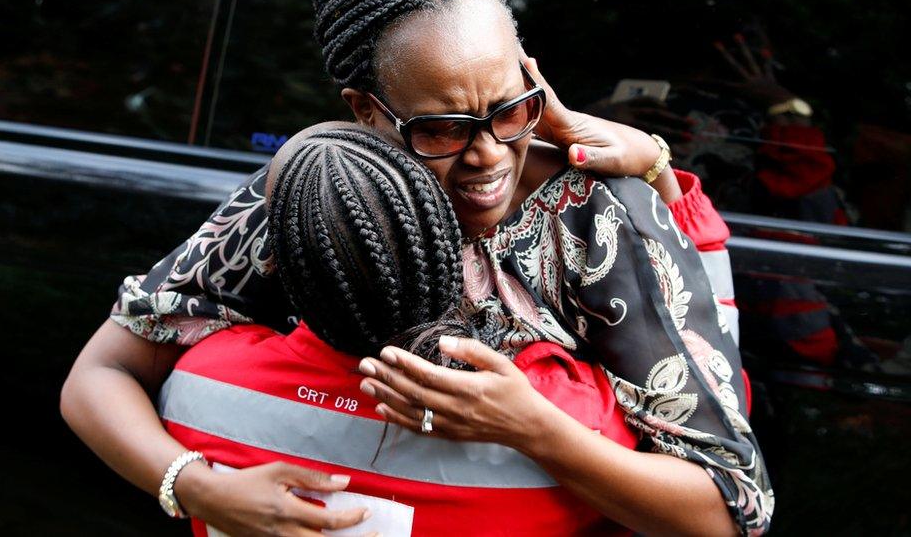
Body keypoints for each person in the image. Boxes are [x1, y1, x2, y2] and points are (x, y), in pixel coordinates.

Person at [61, 0, 772, 534]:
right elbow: (100, 374)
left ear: (535, 80)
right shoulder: (322, 190)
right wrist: (198, 485)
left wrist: (536, 428)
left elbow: (729, 508)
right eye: (441, 127)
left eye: (510, 108)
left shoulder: (599, 216)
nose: (490, 153)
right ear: (366, 111)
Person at [160, 125, 640, 536]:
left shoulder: (195, 386)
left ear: (278, 268)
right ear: (450, 250)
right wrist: (659, 177)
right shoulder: (571, 414)